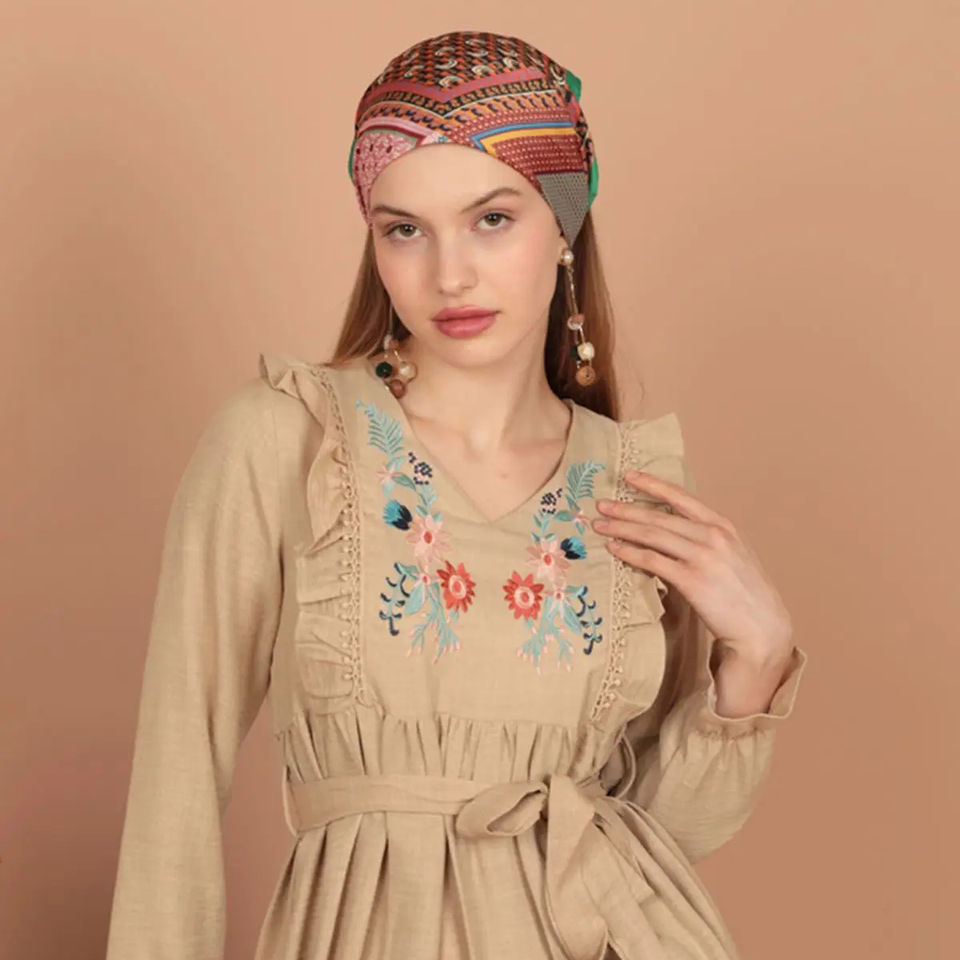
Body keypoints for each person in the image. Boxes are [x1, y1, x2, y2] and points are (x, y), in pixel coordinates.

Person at [104, 29, 809, 960]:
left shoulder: (632, 483)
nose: (449, 275)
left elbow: (654, 843)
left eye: (492, 219)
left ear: (563, 224)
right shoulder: (287, 440)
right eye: (404, 229)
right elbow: (176, 780)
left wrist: (755, 661)